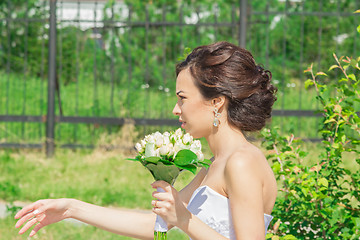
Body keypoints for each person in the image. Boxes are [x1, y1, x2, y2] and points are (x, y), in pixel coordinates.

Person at [15, 41, 277, 240]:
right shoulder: (213, 166)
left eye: (182, 98)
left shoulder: (241, 162)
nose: (176, 109)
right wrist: (72, 208)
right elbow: (156, 223)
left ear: (216, 102)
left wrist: (185, 219)